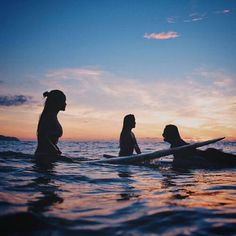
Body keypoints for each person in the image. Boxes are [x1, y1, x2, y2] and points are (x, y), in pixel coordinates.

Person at [162, 124, 236, 168]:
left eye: (165, 132)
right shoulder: (176, 145)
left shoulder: (177, 145)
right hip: (209, 154)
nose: (163, 134)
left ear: (171, 134)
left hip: (210, 156)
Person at [35, 90, 66, 159]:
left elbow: (50, 140)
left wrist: (56, 150)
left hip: (47, 156)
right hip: (43, 157)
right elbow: (42, 135)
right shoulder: (49, 116)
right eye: (63, 101)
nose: (65, 103)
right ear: (57, 101)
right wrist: (55, 151)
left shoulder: (52, 116)